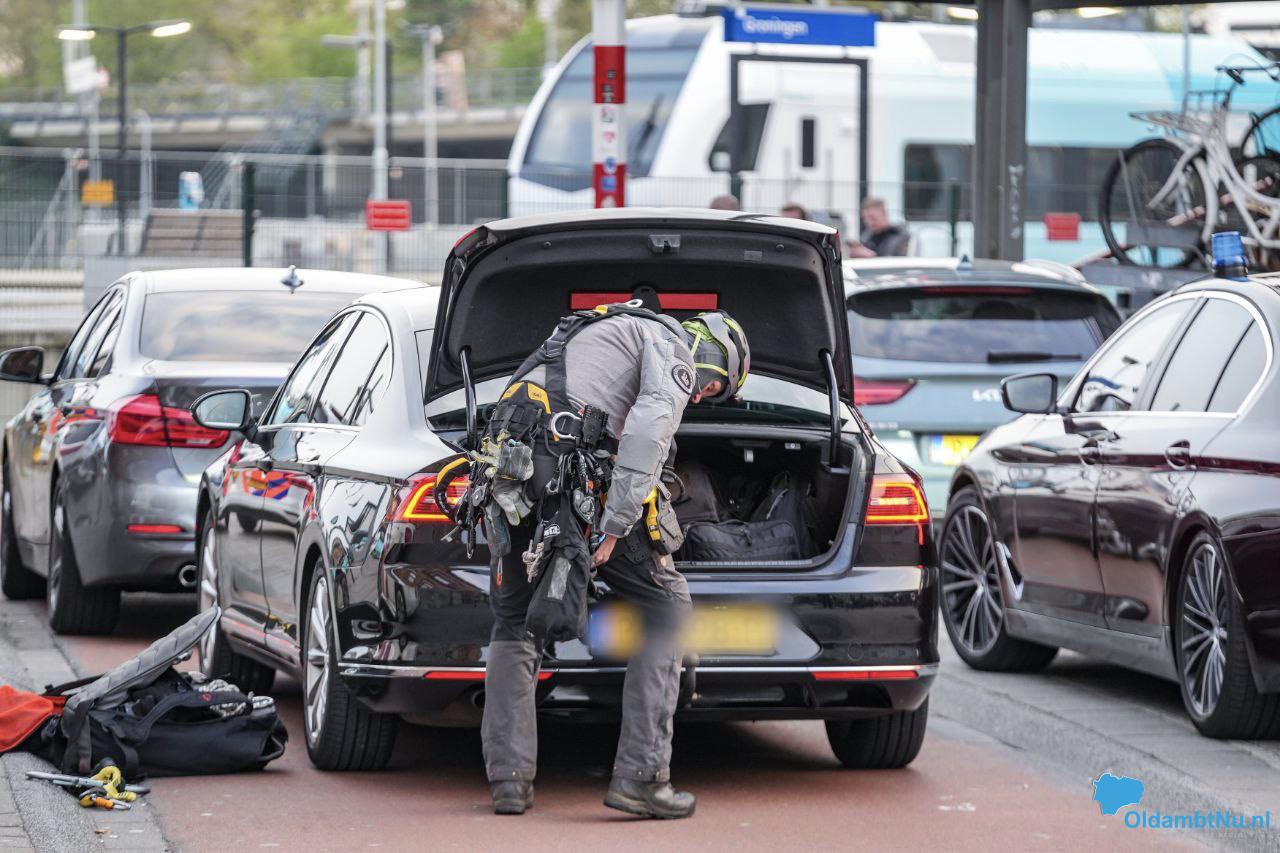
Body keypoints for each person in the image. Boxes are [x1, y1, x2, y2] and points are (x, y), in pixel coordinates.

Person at [480, 302, 751, 820]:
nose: (698, 394)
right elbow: (648, 432)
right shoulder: (672, 345)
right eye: (714, 386)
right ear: (713, 351)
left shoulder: (595, 330)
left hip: (507, 472)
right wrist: (614, 526)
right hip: (573, 477)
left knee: (513, 620)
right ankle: (642, 778)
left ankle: (509, 781)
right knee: (667, 609)